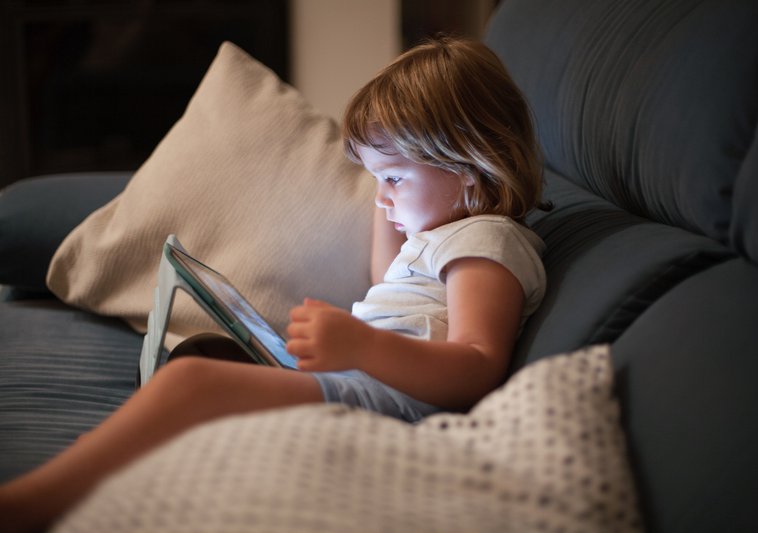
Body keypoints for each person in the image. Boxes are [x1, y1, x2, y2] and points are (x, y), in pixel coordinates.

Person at [0, 36, 547, 531]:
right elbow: (384, 275)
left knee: (192, 383)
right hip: (358, 385)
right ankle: (108, 462)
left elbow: (477, 364)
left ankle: (30, 504)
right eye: (376, 179)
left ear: (469, 166)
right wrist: (390, 192)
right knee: (207, 355)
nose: (381, 197)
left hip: (383, 408)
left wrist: (364, 345)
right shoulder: (444, 235)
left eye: (395, 179)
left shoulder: (488, 242)